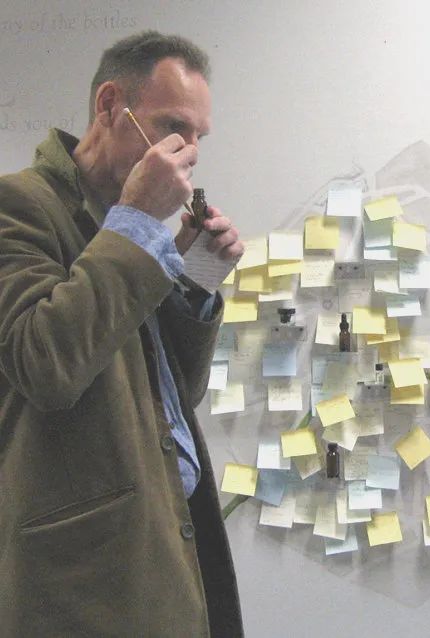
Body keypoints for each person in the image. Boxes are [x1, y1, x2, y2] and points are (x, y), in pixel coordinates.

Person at [0, 32, 244, 635]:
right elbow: (45, 364)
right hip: (83, 581)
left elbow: (174, 398)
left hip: (167, 540)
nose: (187, 152)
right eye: (172, 127)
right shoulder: (18, 205)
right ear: (109, 105)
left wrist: (194, 280)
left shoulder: (131, 230)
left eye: (198, 137)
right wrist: (137, 222)